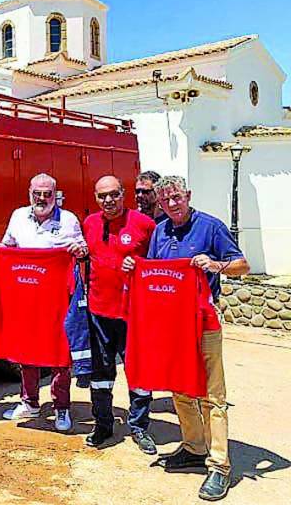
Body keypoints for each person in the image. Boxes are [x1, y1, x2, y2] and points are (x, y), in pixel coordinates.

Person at [123, 176, 249, 502]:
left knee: (212, 395)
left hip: (204, 323)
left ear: (188, 195)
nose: (172, 204)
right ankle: (194, 447)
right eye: (165, 200)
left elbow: (242, 265)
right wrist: (134, 266)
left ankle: (219, 465)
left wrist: (217, 264)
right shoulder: (160, 231)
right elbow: (153, 272)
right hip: (172, 324)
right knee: (178, 387)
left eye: (177, 197)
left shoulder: (211, 226)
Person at [0, 173, 87, 431]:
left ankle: (61, 407)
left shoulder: (69, 220)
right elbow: (7, 246)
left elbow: (83, 249)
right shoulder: (18, 216)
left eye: (47, 194)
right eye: (37, 194)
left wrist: (79, 251)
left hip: (57, 300)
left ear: (56, 195)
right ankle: (29, 402)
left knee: (59, 353)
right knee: (26, 349)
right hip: (25, 297)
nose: (42, 198)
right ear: (29, 193)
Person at [83, 176, 157, 454]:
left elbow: (159, 263)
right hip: (98, 312)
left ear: (123, 194)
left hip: (134, 313)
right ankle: (103, 424)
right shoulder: (90, 223)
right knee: (101, 374)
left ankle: (139, 427)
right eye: (102, 196)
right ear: (95, 197)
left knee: (139, 372)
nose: (108, 200)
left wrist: (139, 263)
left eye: (114, 194)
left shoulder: (144, 224)